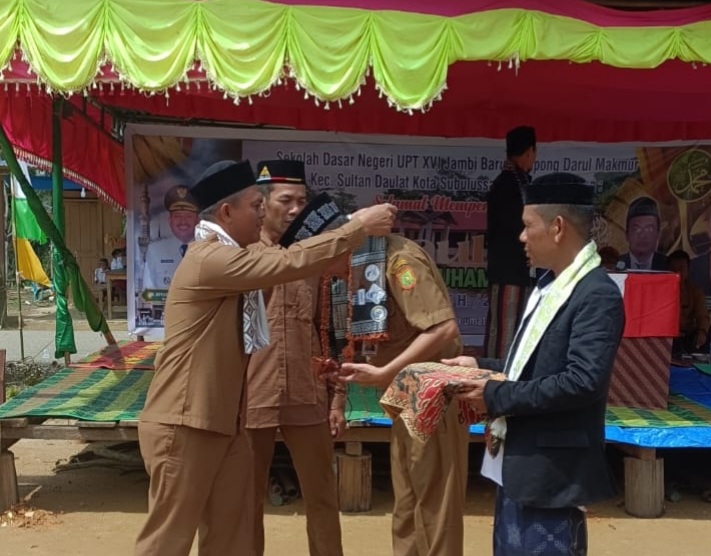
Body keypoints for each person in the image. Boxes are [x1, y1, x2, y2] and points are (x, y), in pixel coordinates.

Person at [133, 159, 397, 556]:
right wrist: (356, 225)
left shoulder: (237, 261)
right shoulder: (210, 258)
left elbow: (297, 280)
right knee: (168, 541)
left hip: (228, 423)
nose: (263, 214)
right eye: (257, 206)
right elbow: (288, 263)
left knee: (231, 536)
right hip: (186, 422)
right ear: (226, 212)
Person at [449, 172, 625, 556]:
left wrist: (495, 394)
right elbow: (528, 364)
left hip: (553, 473)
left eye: (528, 226)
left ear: (558, 227)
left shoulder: (596, 294)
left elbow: (582, 381)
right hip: (522, 464)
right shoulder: (549, 285)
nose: (521, 237)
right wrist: (478, 364)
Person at [330, 233, 465, 556]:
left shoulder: (398, 262)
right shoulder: (363, 264)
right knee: (407, 503)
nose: (327, 273)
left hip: (432, 394)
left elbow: (443, 328)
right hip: (402, 395)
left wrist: (385, 372)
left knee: (435, 506)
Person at [245, 160, 345, 556]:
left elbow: (332, 330)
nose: (294, 209)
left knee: (322, 495)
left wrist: (337, 397)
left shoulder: (314, 258)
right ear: (262, 204)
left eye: (301, 201)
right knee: (246, 500)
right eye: (285, 200)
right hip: (253, 394)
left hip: (307, 393)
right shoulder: (243, 258)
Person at [485, 126, 537, 358]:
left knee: (514, 325)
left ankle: (505, 376)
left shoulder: (518, 181)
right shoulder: (508, 184)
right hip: (508, 268)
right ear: (529, 152)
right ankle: (495, 378)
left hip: (517, 267)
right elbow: (513, 228)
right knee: (504, 327)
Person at [142, 184, 200, 290]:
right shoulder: (155, 250)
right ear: (170, 220)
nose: (183, 222)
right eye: (177, 216)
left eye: (188, 216)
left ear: (197, 220)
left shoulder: (209, 249)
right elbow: (148, 290)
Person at [668, 250, 710, 354]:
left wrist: (702, 331)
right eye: (673, 269)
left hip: (687, 337)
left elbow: (702, 315)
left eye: (681, 268)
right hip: (667, 337)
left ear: (688, 269)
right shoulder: (660, 291)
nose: (678, 273)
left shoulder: (695, 291)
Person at [618, 196, 668, 271]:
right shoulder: (615, 265)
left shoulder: (668, 265)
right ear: (627, 235)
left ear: (658, 234)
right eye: (636, 229)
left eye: (649, 229)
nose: (642, 235)